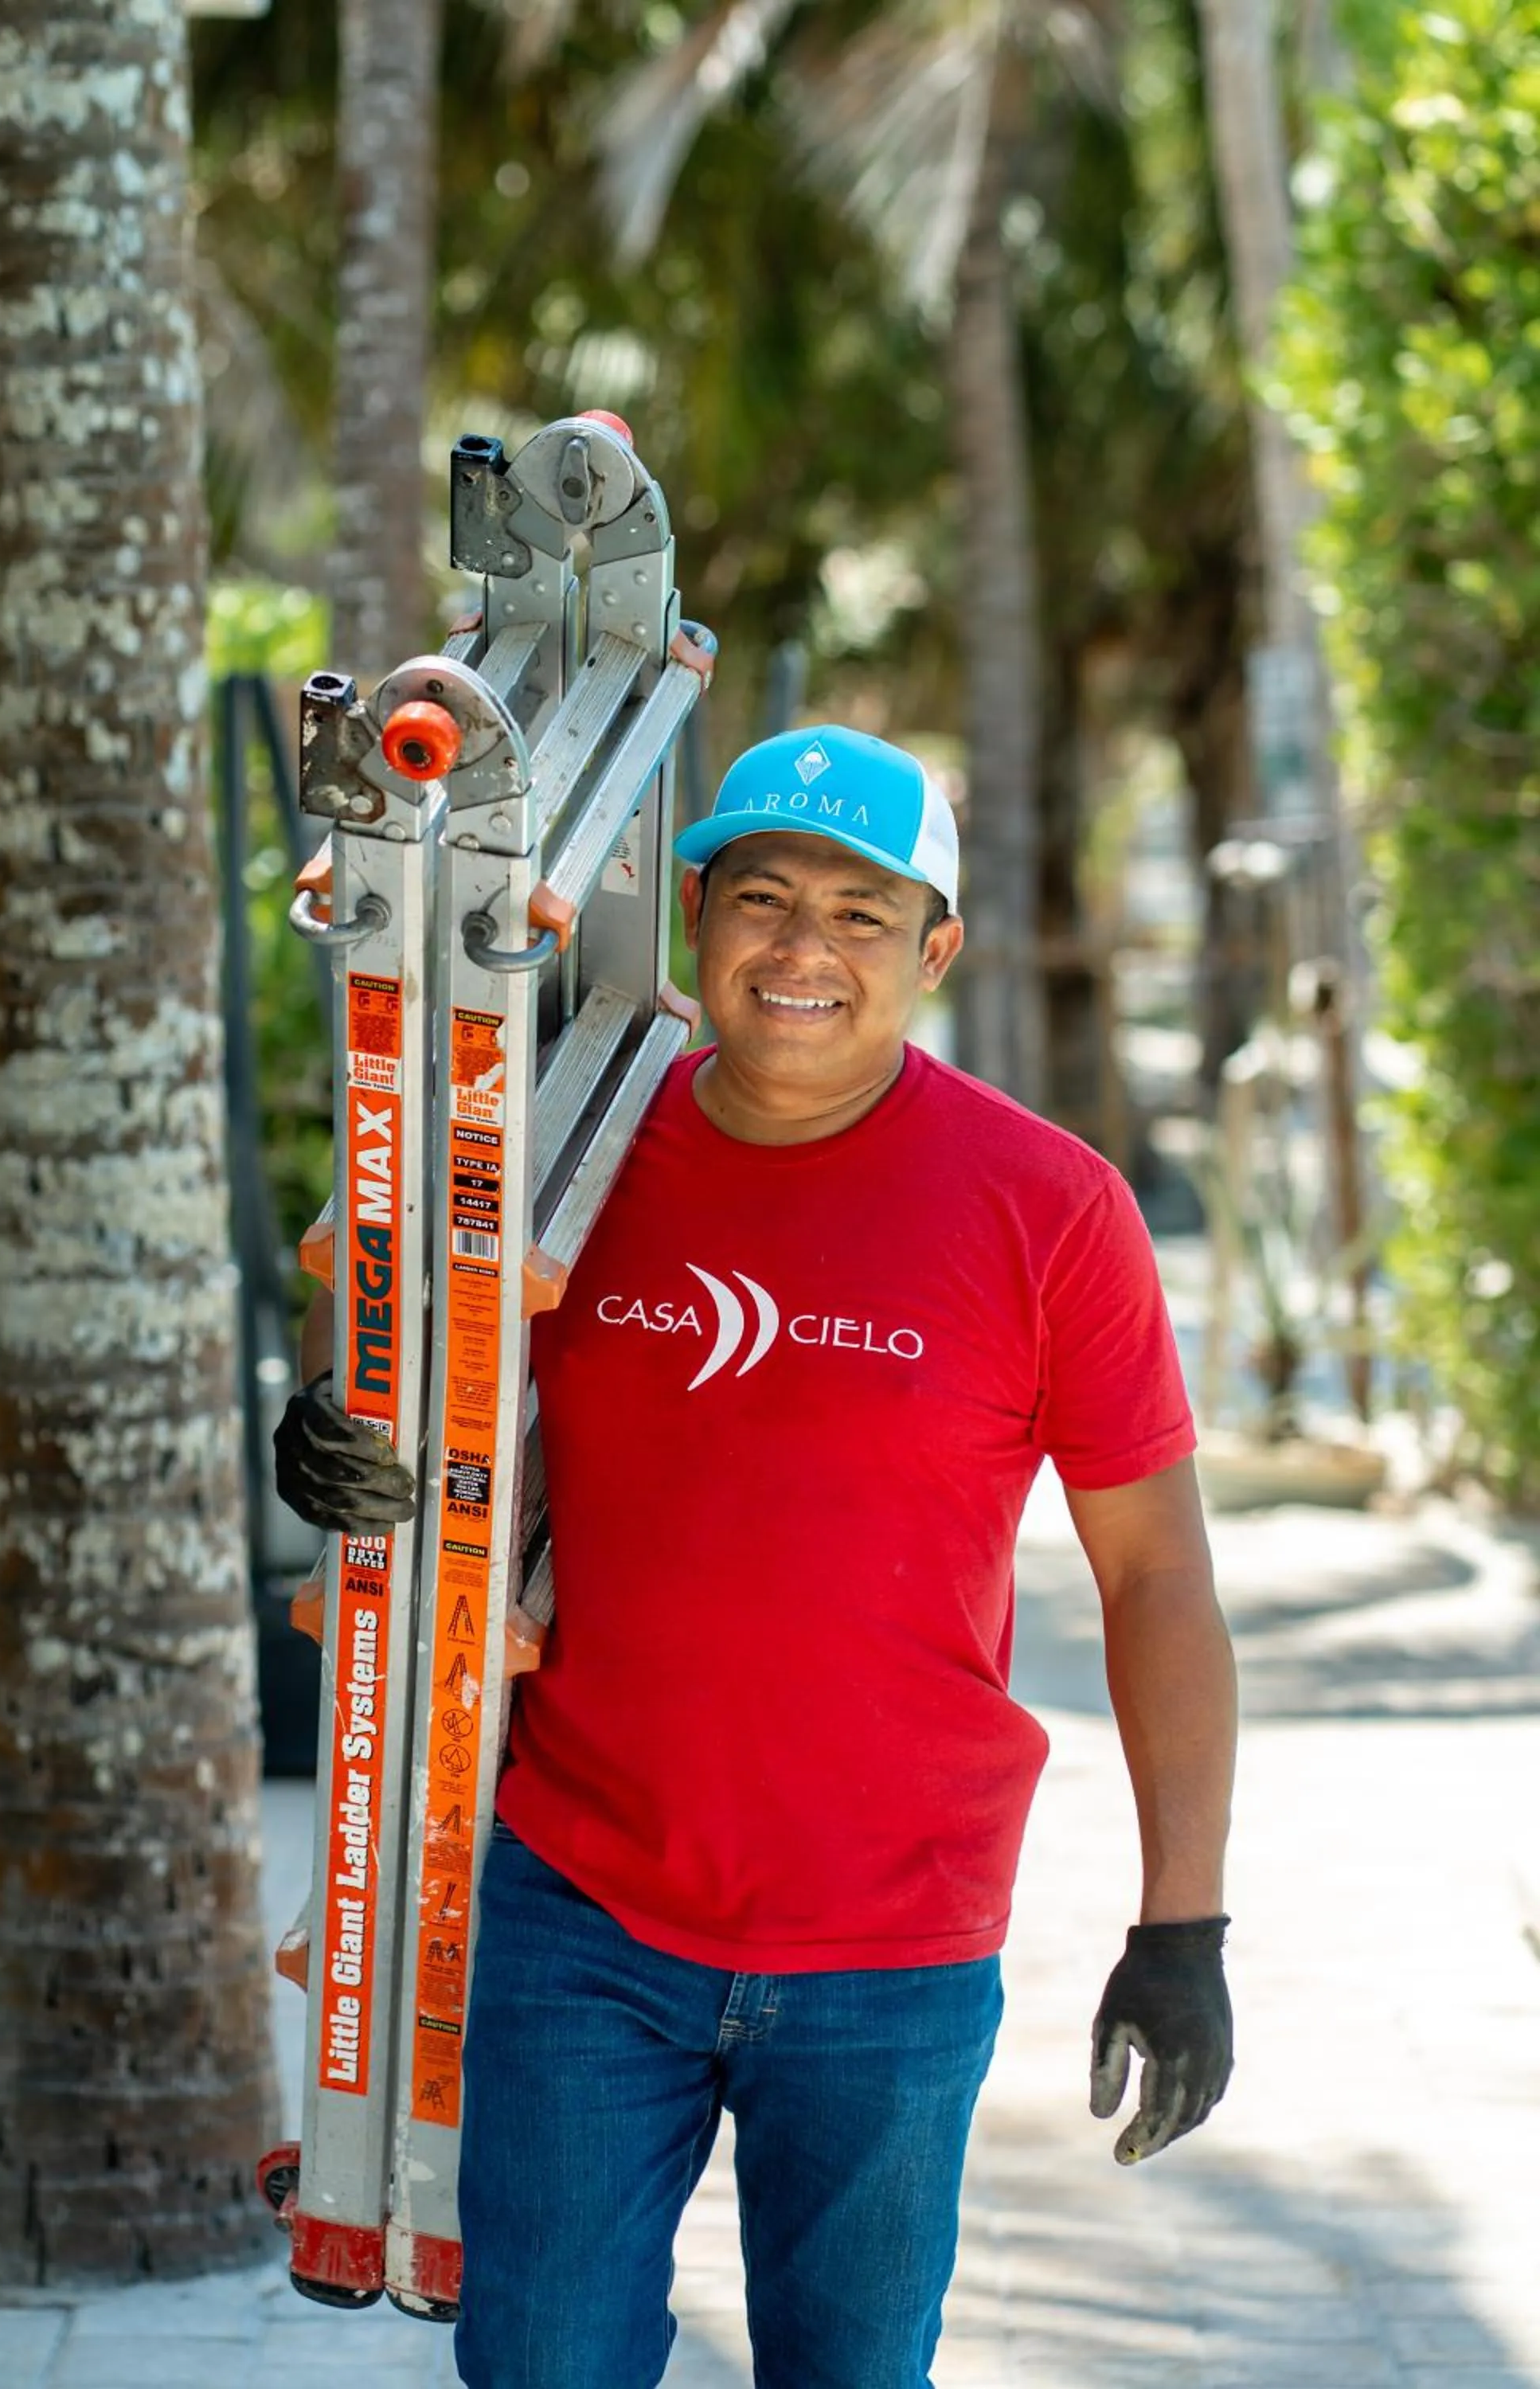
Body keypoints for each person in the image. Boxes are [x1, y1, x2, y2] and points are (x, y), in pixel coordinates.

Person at [276, 723, 1237, 2389]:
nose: (805, 951)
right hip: (583, 1908)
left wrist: (1185, 1929)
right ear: (703, 916)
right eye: (766, 900)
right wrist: (324, 1403)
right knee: (537, 2369)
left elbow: (1155, 1575)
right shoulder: (562, 1143)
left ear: (933, 952)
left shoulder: (1049, 1209)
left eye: (862, 917)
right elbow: (382, 1275)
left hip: (894, 1944)